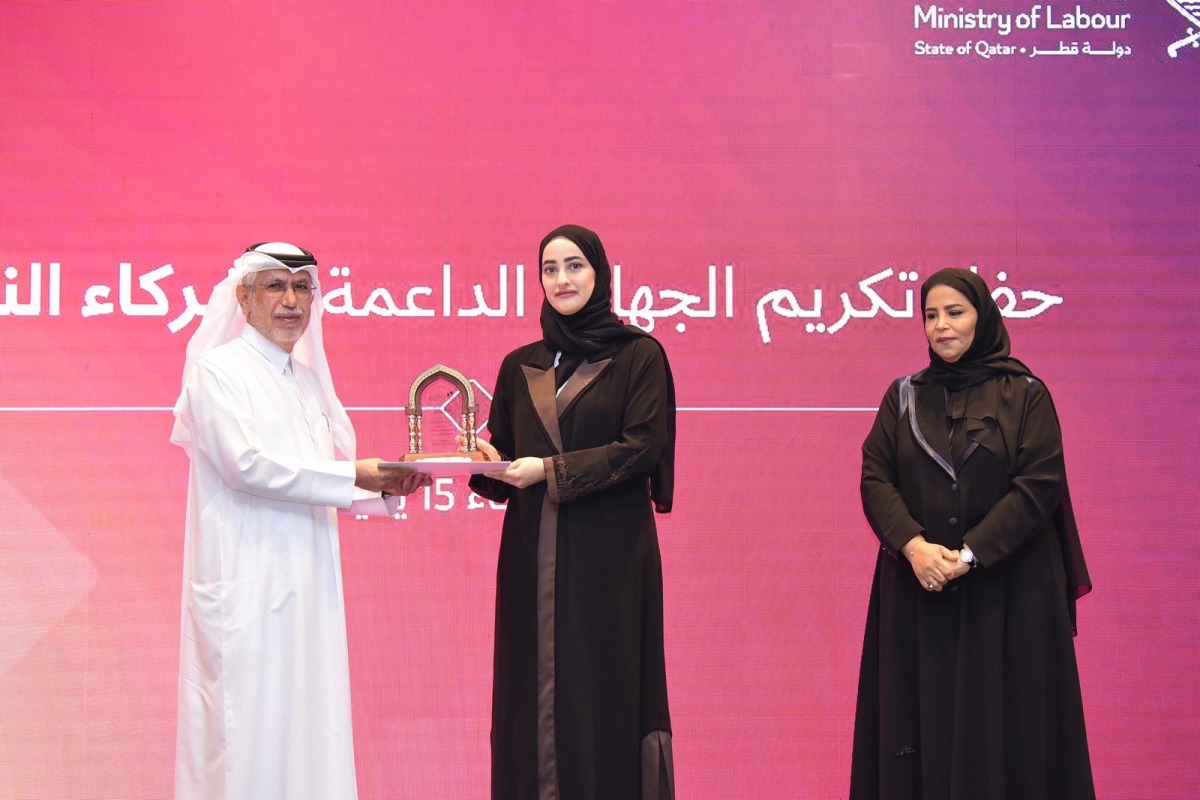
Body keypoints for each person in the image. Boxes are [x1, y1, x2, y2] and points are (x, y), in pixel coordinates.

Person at [170, 242, 428, 800]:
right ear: (244, 298)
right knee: (247, 741)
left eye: (301, 287)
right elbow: (245, 466)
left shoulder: (307, 380)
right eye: (275, 286)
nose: (291, 301)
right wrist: (355, 475)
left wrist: (384, 487)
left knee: (312, 732)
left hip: (308, 589)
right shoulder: (217, 371)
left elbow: (315, 480)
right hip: (248, 590)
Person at [849, 268, 1095, 800]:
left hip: (1010, 595)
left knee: (1010, 732)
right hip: (920, 590)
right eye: (930, 315)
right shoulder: (903, 396)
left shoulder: (1026, 394)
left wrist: (970, 555)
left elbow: (1039, 484)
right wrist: (914, 547)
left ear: (982, 318)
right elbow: (875, 479)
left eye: (954, 313)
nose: (941, 326)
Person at [467, 225, 677, 800]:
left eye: (574, 265)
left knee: (604, 688)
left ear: (600, 273)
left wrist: (549, 470)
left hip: (609, 556)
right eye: (550, 269)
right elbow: (505, 461)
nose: (561, 279)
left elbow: (642, 448)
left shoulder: (638, 355)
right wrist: (483, 462)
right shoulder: (520, 364)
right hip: (531, 556)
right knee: (530, 691)